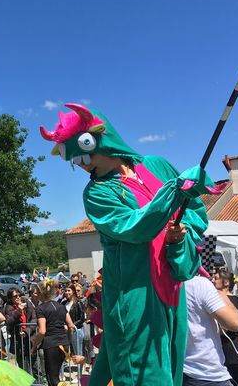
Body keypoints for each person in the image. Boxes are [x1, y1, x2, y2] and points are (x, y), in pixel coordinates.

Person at [40, 103, 217, 385]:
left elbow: (195, 212)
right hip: (134, 297)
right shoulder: (97, 193)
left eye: (85, 153)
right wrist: (174, 191)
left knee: (170, 373)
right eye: (75, 161)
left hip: (170, 290)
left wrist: (180, 238)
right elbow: (135, 228)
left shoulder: (155, 166)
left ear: (103, 138)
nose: (83, 165)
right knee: (144, 377)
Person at [183, 275, 238, 386]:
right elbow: (235, 323)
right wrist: (223, 296)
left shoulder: (155, 284)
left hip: (176, 371)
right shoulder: (199, 284)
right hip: (206, 372)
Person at [31, 279, 77, 386]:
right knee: (56, 376)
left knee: (52, 378)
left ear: (41, 292)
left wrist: (34, 346)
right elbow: (71, 326)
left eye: (37, 291)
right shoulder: (61, 306)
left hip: (51, 345)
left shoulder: (40, 308)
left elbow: (42, 331)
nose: (35, 293)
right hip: (63, 344)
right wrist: (68, 341)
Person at [4, 287, 36, 373]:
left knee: (34, 362)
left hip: (30, 336)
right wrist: (18, 310)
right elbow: (9, 321)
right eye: (15, 296)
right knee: (22, 365)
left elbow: (34, 319)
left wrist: (27, 331)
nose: (18, 297)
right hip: (18, 339)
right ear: (10, 298)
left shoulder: (27, 303)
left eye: (19, 295)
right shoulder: (8, 307)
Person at [62, 285, 85, 357]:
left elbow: (81, 318)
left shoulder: (78, 303)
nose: (67, 292)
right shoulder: (63, 303)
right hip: (66, 330)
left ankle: (80, 367)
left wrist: (72, 326)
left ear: (73, 292)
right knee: (65, 351)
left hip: (76, 330)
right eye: (65, 291)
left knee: (78, 352)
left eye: (69, 290)